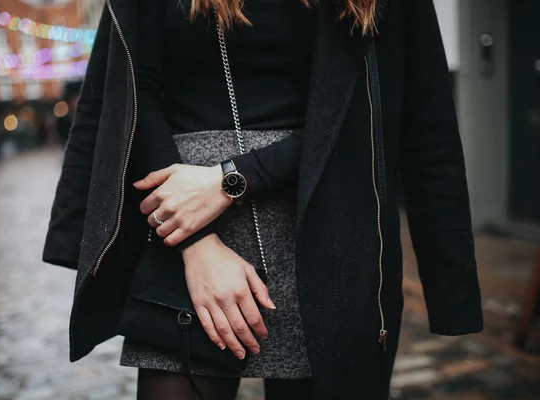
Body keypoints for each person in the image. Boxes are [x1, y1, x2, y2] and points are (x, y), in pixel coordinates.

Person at [42, 0, 484, 399]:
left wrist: (232, 180)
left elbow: (418, 128)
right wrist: (193, 242)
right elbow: (132, 95)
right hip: (178, 224)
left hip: (333, 234)